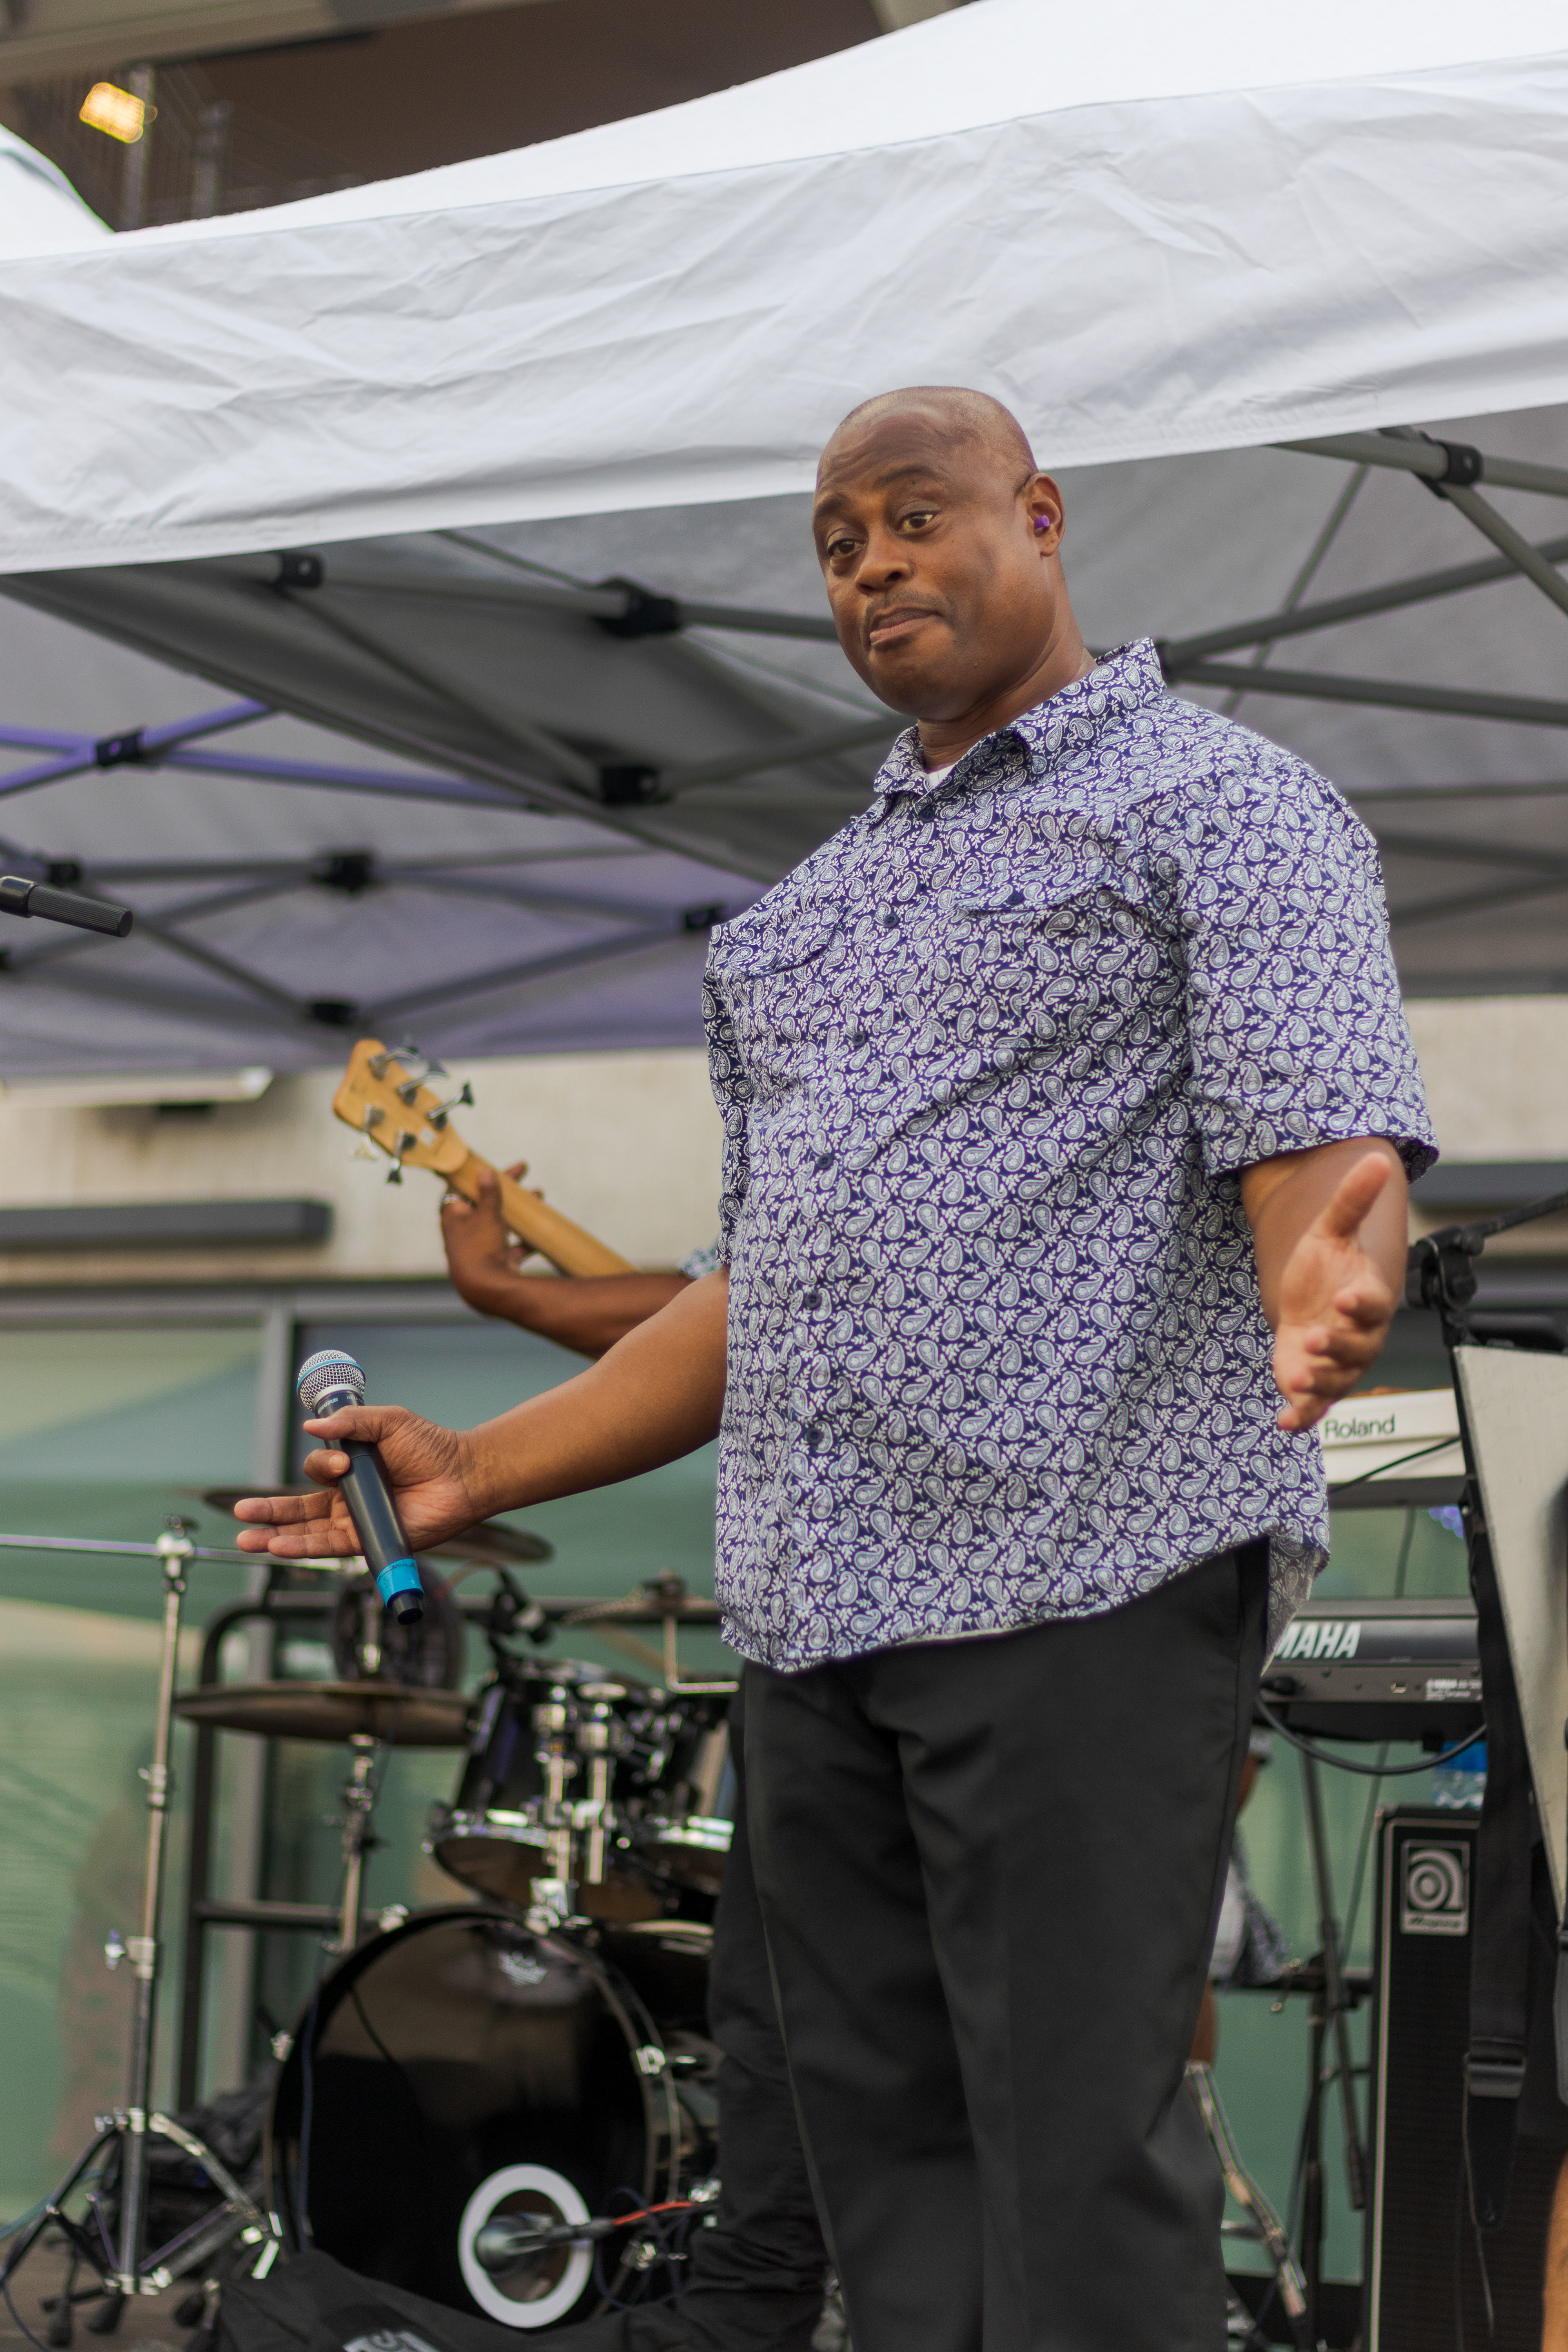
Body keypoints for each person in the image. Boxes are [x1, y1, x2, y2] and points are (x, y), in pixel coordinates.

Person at [238, 385, 1435, 2352]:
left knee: (1072, 2164)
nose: (873, 561)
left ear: (1038, 520)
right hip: (818, 1620)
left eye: (915, 514)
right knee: (877, 2179)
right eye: (836, 538)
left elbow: (1322, 1160)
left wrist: (1330, 1266)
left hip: (1085, 1577)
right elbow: (764, 1285)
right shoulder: (808, 916)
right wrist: (487, 1466)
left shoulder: (1217, 804)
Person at [439, 1181, 829, 2352]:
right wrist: (511, 1300)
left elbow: (739, 1309)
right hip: (813, 1635)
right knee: (779, 2044)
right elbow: (730, 1305)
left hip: (1024, 1641)